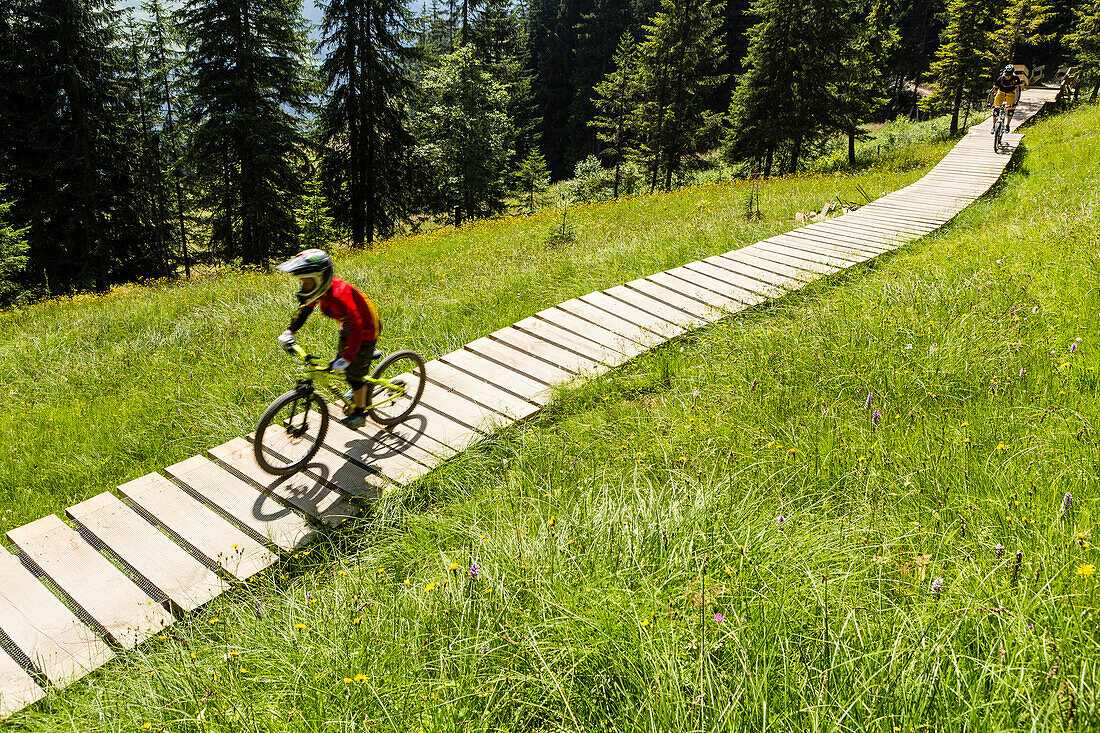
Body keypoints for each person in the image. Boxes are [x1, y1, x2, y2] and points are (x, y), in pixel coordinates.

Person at [275, 249, 382, 429]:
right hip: (349, 328)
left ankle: (360, 413)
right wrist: (290, 331)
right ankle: (356, 379)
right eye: (303, 282)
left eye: (307, 282)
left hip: (365, 330)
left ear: (320, 279)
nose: (304, 286)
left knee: (354, 375)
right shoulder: (321, 290)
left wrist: (347, 359)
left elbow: (356, 331)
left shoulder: (338, 297)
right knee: (338, 365)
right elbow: (305, 310)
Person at [989, 64, 1024, 133]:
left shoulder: (1015, 78)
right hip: (1001, 92)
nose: (1007, 76)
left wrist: (1016, 102)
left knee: (1011, 110)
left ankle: (1007, 125)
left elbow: (1018, 91)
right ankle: (993, 126)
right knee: (996, 109)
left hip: (1011, 93)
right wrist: (989, 102)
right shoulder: (1000, 78)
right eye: (1006, 74)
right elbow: (992, 91)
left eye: (1009, 75)